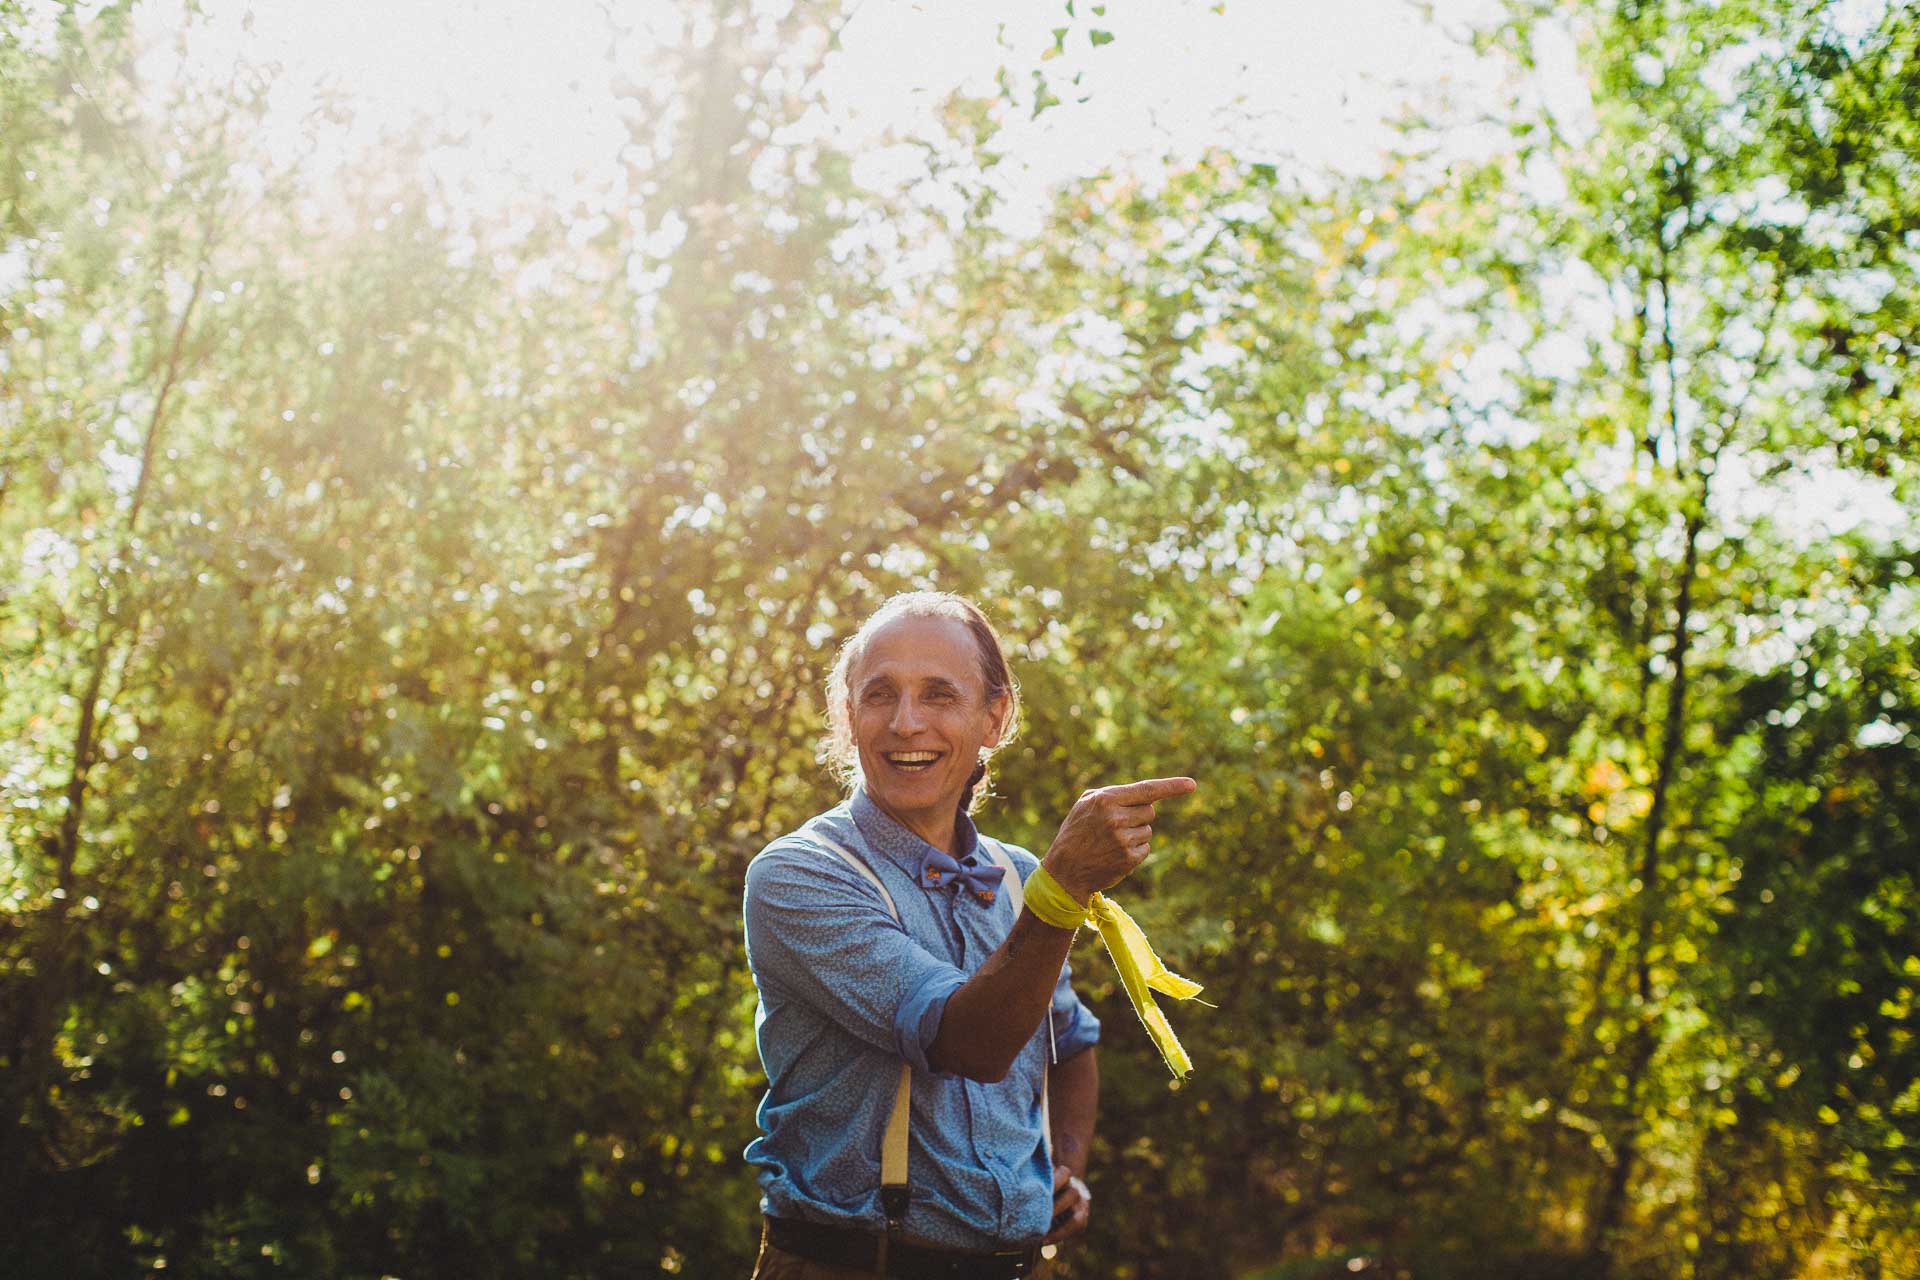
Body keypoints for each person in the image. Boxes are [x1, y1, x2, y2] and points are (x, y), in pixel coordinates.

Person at [741, 591, 1196, 1278]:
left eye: (939, 696)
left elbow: (1070, 1047)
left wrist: (1063, 1170)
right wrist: (1064, 892)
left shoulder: (1018, 877)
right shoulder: (799, 875)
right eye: (879, 695)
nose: (905, 722)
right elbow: (969, 1042)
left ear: (995, 717)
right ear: (846, 715)